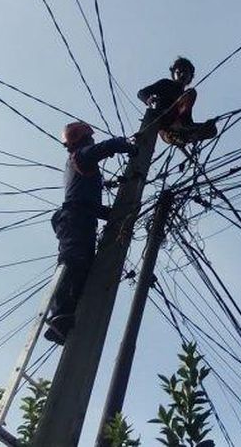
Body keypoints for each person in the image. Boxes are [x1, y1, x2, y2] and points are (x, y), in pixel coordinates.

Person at [45, 122, 136, 344]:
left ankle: (66, 316)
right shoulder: (80, 157)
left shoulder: (80, 165)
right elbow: (101, 149)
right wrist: (124, 144)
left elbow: (89, 204)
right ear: (83, 139)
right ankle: (58, 314)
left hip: (82, 219)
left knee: (84, 269)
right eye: (90, 138)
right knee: (73, 261)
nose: (93, 141)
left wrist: (118, 214)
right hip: (74, 219)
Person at [137, 57, 217, 146]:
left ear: (190, 77)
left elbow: (187, 117)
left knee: (212, 130)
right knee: (190, 93)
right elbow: (141, 93)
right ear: (173, 74)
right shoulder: (166, 83)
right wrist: (148, 99)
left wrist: (207, 125)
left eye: (185, 72)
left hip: (181, 127)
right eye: (179, 72)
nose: (182, 75)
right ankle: (180, 133)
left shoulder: (185, 97)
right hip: (165, 126)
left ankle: (186, 136)